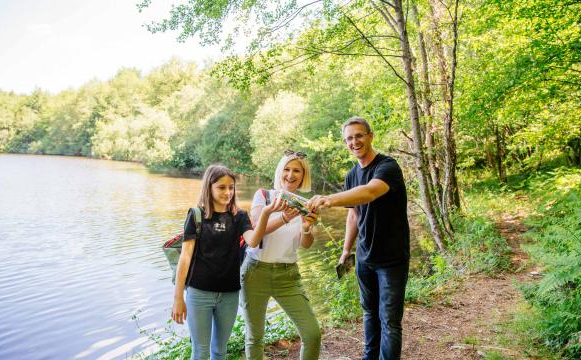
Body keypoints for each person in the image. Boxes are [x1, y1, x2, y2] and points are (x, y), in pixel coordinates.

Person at [307, 117, 410, 360]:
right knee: (369, 314)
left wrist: (330, 199)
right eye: (349, 138)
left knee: (390, 321)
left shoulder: (387, 167)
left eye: (359, 136)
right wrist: (346, 250)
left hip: (392, 258)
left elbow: (370, 192)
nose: (355, 142)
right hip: (365, 257)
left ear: (370, 136)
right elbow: (354, 216)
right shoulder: (352, 176)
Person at [171, 164, 286, 360]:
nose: (228, 192)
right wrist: (178, 298)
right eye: (221, 187)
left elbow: (253, 240)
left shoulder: (240, 216)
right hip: (199, 293)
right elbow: (185, 257)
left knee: (220, 351)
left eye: (231, 187)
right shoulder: (196, 215)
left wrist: (266, 214)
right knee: (200, 352)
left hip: (229, 295)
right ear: (209, 187)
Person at [240, 150, 322, 360]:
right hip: (255, 272)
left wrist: (306, 227)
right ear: (280, 171)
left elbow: (306, 244)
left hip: (288, 275)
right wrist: (284, 217)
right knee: (255, 337)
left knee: (312, 334)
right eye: (286, 169)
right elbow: (257, 228)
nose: (290, 174)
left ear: (304, 175)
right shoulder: (264, 195)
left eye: (297, 170)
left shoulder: (306, 204)